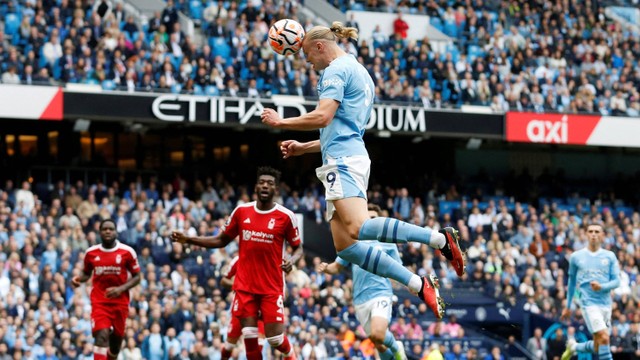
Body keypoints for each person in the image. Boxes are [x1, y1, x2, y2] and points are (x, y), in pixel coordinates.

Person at [260, 21, 465, 319]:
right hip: (343, 155)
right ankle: (417, 283)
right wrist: (303, 148)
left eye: (307, 55)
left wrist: (282, 122)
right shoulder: (358, 71)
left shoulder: (335, 70)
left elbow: (323, 115)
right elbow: (340, 127)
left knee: (357, 228)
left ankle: (439, 240)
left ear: (320, 47)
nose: (308, 62)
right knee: (346, 247)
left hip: (344, 159)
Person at [171, 167, 303, 360]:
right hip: (245, 286)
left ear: (276, 190)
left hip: (271, 287)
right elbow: (220, 240)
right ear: (256, 187)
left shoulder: (286, 216)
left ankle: (292, 356)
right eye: (262, 182)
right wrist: (190, 240)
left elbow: (298, 248)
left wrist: (292, 260)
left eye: (270, 183)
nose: (265, 185)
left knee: (275, 339)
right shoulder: (242, 211)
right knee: (249, 338)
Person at [317, 204, 407, 360]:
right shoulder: (353, 244)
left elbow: (399, 269)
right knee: (378, 342)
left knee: (379, 333)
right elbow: (337, 267)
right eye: (367, 218)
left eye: (373, 218)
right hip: (359, 299)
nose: (370, 221)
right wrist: (326, 268)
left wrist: (410, 284)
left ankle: (397, 347)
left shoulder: (387, 243)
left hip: (381, 293)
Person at [71, 219, 142, 360]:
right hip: (100, 301)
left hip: (120, 302)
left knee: (115, 346)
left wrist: (120, 289)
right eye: (105, 229)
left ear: (116, 232)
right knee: (101, 335)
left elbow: (137, 277)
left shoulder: (127, 252)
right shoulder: (91, 253)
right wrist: (79, 279)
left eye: (111, 229)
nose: (108, 231)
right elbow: (87, 273)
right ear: (100, 232)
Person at [560, 223, 620, 360]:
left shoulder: (610, 256)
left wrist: (602, 287)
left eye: (597, 232)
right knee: (604, 338)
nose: (594, 234)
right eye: (591, 231)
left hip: (606, 304)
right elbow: (571, 282)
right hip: (588, 303)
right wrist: (568, 306)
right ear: (586, 234)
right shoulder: (576, 257)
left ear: (603, 235)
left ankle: (573, 347)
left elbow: (617, 282)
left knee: (600, 345)